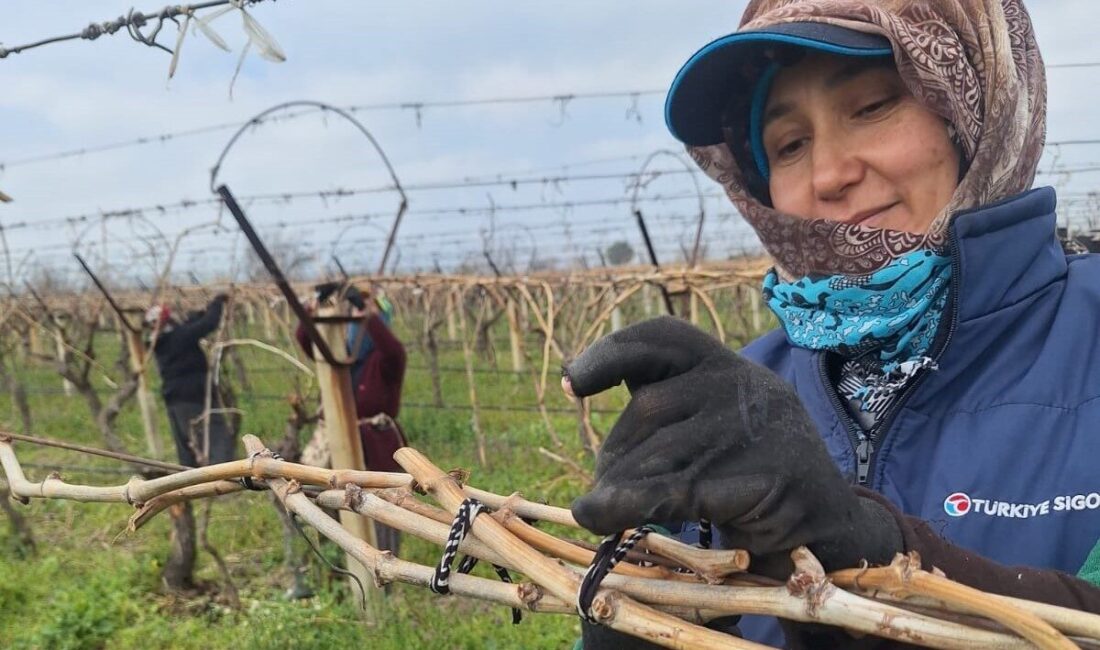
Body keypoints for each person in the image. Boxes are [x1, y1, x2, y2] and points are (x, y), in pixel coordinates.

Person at [567, 1, 1100, 647]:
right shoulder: (740, 403)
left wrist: (873, 556)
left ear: (977, 106)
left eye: (872, 106)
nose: (829, 175)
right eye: (789, 145)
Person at [295, 284, 408, 554]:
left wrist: (367, 314)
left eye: (366, 320)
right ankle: (341, 563)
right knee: (332, 504)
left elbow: (394, 349)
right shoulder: (340, 357)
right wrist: (310, 312)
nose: (358, 326)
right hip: (338, 446)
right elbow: (306, 340)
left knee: (382, 511)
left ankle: (385, 576)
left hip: (378, 450)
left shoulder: (385, 363)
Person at [147, 293, 236, 467]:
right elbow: (208, 324)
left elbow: (189, 326)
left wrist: (199, 313)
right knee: (213, 434)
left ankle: (189, 477)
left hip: (174, 396)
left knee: (185, 439)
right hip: (194, 395)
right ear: (169, 320)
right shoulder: (179, 337)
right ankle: (225, 475)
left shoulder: (160, 341)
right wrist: (217, 302)